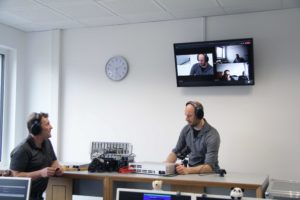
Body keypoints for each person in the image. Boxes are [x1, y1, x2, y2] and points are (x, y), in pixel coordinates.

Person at [10, 112, 64, 200]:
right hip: (24, 197)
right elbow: (15, 176)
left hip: (39, 197)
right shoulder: (22, 149)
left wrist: (57, 168)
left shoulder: (47, 143)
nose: (51, 127)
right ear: (36, 129)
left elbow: (53, 161)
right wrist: (40, 173)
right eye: (47, 124)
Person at [165, 101, 220, 175]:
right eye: (186, 115)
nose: (186, 119)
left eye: (190, 116)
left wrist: (187, 170)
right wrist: (165, 167)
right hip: (191, 173)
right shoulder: (186, 130)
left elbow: (209, 167)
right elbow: (176, 152)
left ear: (199, 115)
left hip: (208, 175)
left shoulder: (212, 135)